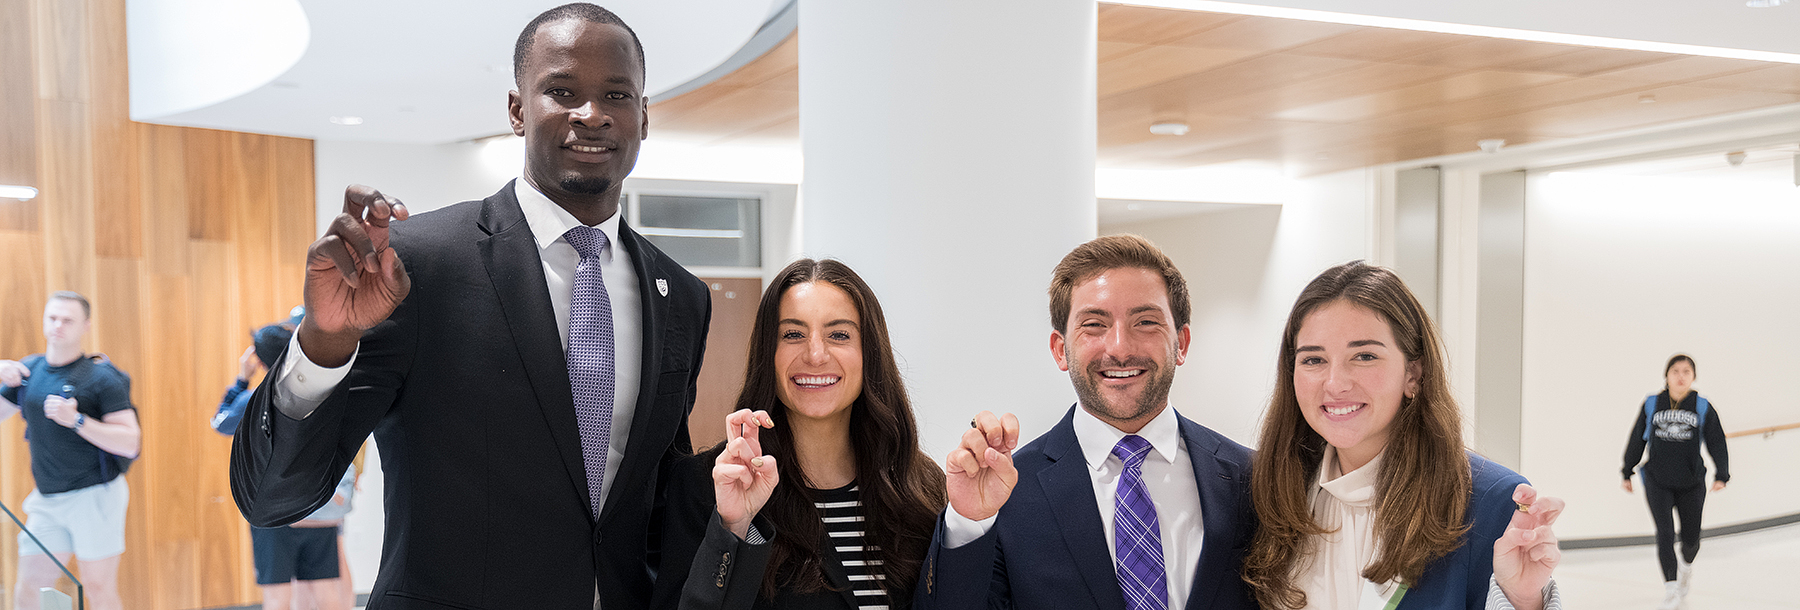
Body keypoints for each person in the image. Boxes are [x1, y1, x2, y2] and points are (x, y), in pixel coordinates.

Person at [228, 3, 713, 608]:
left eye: (616, 95)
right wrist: (325, 345)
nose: (591, 114)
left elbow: (658, 498)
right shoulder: (416, 266)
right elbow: (272, 498)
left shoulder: (681, 296)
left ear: (642, 117)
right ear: (517, 110)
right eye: (561, 91)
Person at [915, 234, 1260, 610]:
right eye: (1094, 324)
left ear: (1182, 342)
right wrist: (967, 522)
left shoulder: (1252, 478)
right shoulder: (1008, 492)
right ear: (1061, 350)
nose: (1120, 348)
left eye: (1145, 321)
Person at [1241, 261, 1562, 610]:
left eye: (1364, 356)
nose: (1335, 383)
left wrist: (1522, 598)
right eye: (1313, 360)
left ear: (1414, 373)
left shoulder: (1488, 502)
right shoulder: (1269, 494)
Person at [652, 259, 945, 610]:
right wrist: (732, 529)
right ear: (768, 354)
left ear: (869, 354)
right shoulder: (707, 485)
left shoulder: (918, 484)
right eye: (793, 334)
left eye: (839, 335)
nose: (816, 355)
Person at [0, 291, 141, 610]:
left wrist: (77, 420)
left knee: (97, 587)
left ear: (85, 326)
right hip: (48, 500)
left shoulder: (102, 379)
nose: (58, 326)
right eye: (52, 318)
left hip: (94, 496)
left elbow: (130, 441)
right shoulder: (28, 372)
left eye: (67, 320)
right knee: (30, 586)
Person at [213, 318, 354, 610]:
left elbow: (221, 422)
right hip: (317, 506)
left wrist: (241, 378)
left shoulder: (255, 399)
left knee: (278, 598)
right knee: (327, 594)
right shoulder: (320, 391)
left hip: (274, 512)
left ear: (259, 359)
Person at [1620, 354, 1728, 610]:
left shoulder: (1701, 406)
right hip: (1657, 480)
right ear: (1666, 376)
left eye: (1686, 371)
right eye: (1675, 371)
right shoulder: (1651, 403)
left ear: (1693, 377)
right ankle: (1670, 588)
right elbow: (1637, 438)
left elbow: (1716, 441)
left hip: (1691, 481)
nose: (1680, 376)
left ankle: (1686, 568)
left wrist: (1722, 473)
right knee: (1665, 534)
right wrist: (1627, 470)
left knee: (1691, 539)